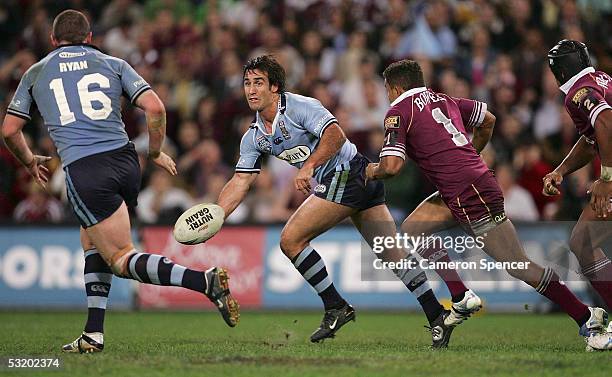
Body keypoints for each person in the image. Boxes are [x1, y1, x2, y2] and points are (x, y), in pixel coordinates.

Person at [1, 10, 239, 354]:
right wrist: (155, 152)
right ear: (90, 37)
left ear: (53, 41)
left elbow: (9, 130)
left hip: (85, 168)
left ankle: (204, 280)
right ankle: (93, 335)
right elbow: (155, 107)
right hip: (125, 161)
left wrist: (27, 160)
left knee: (120, 257)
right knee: (92, 241)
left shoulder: (36, 72)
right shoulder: (113, 63)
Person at [216, 55, 479, 346]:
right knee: (392, 253)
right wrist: (218, 215)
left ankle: (336, 306)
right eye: (247, 83)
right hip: (359, 177)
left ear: (275, 87)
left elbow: (336, 135)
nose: (251, 90)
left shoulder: (300, 107)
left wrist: (309, 166)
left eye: (259, 83)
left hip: (348, 174)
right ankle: (437, 316)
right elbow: (240, 181)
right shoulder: (253, 136)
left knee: (291, 240)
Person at [365, 59, 612, 351]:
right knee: (413, 227)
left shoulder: (398, 111)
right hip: (472, 184)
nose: (388, 96)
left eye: (387, 90)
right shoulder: (445, 99)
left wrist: (369, 171)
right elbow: (489, 119)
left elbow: (391, 166)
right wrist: (473, 153)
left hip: (467, 191)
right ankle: (459, 295)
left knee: (517, 265)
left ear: (394, 87)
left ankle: (586, 319)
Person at [542, 40, 612, 326]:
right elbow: (592, 137)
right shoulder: (600, 78)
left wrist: (607, 179)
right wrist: (561, 170)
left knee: (583, 241)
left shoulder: (577, 92)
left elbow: (606, 122)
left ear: (558, 71)